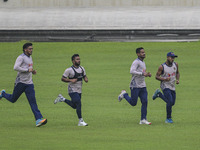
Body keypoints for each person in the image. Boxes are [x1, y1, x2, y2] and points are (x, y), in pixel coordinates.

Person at [0, 43, 47, 127]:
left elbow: (29, 68)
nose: (31, 50)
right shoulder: (21, 57)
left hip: (29, 83)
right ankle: (3, 94)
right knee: (13, 99)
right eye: (29, 49)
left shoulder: (30, 57)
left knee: (33, 102)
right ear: (25, 49)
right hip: (20, 83)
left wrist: (32, 71)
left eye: (32, 48)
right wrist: (27, 70)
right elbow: (15, 67)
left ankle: (38, 119)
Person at [118, 47, 152, 125]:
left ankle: (143, 119)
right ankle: (124, 94)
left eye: (144, 52)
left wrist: (147, 74)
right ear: (138, 54)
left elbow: (142, 72)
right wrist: (143, 74)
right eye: (142, 52)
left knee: (145, 101)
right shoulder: (136, 62)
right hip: (135, 85)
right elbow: (132, 71)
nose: (144, 53)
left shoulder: (143, 62)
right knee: (133, 103)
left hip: (142, 85)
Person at [54, 54, 88, 126]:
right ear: (73, 61)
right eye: (77, 59)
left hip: (79, 90)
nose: (79, 60)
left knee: (75, 106)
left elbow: (84, 75)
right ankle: (80, 121)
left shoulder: (82, 68)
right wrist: (71, 80)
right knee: (78, 103)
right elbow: (62, 78)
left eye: (79, 59)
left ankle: (62, 99)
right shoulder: (69, 70)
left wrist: (85, 79)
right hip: (72, 90)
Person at [152, 52, 180, 123]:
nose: (173, 59)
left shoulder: (175, 64)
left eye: (173, 57)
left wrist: (177, 80)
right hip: (165, 85)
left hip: (172, 85)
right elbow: (156, 77)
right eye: (171, 57)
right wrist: (164, 79)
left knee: (172, 103)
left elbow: (177, 73)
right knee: (170, 101)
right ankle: (168, 118)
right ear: (167, 57)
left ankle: (159, 94)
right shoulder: (162, 67)